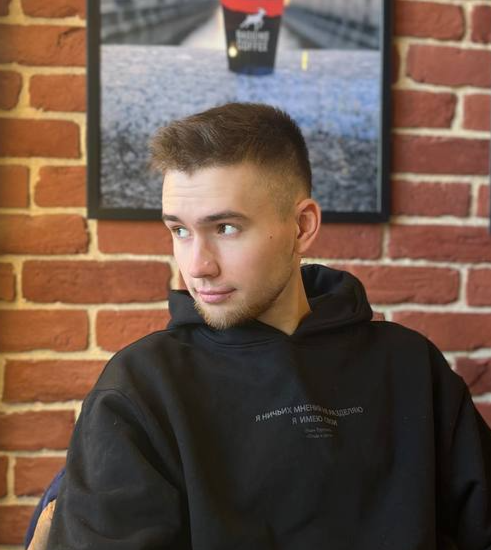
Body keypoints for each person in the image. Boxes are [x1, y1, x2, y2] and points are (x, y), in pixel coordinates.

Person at [45, 102, 491, 549]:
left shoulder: (411, 366)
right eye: (179, 231)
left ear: (302, 227)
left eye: (225, 228)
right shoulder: (140, 388)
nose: (196, 267)